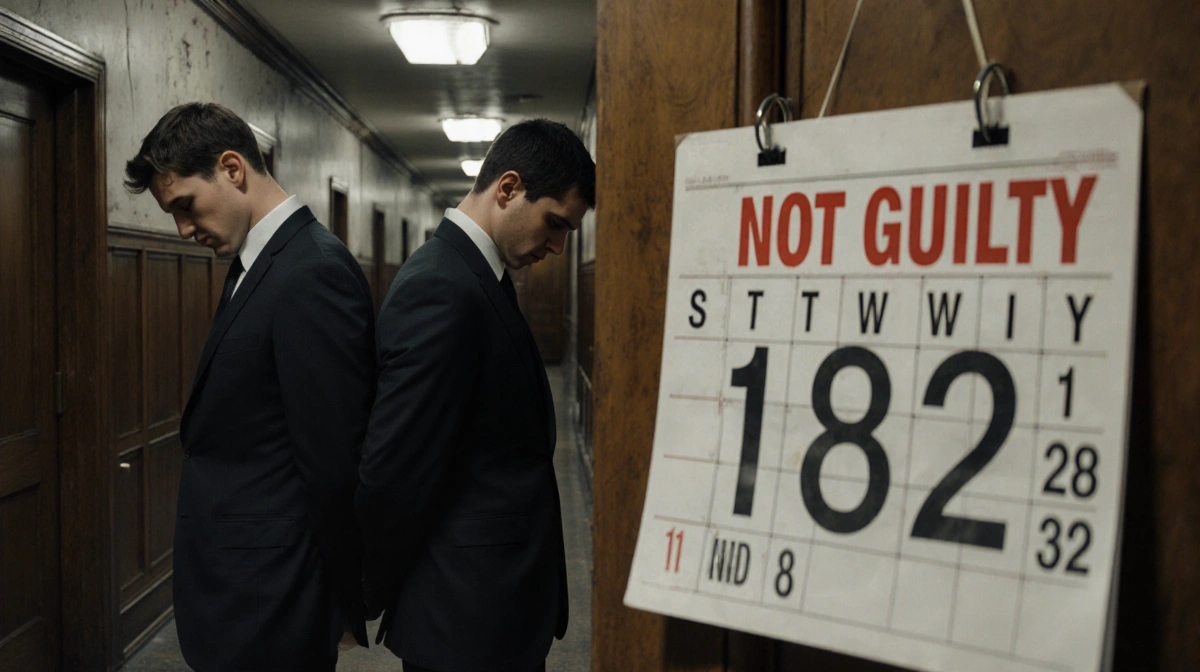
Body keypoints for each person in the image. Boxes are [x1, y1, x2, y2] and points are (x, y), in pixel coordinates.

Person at [124, 102, 373, 671]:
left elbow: (333, 458)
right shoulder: (258, 263)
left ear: (233, 169)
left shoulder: (313, 270)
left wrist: (342, 599)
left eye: (185, 206)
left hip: (274, 596)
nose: (183, 230)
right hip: (245, 589)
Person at [356, 118, 595, 672]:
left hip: (490, 606)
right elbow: (394, 467)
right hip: (461, 612)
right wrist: (363, 594)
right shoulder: (441, 286)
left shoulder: (478, 277)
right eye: (554, 224)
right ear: (507, 188)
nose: (558, 246)